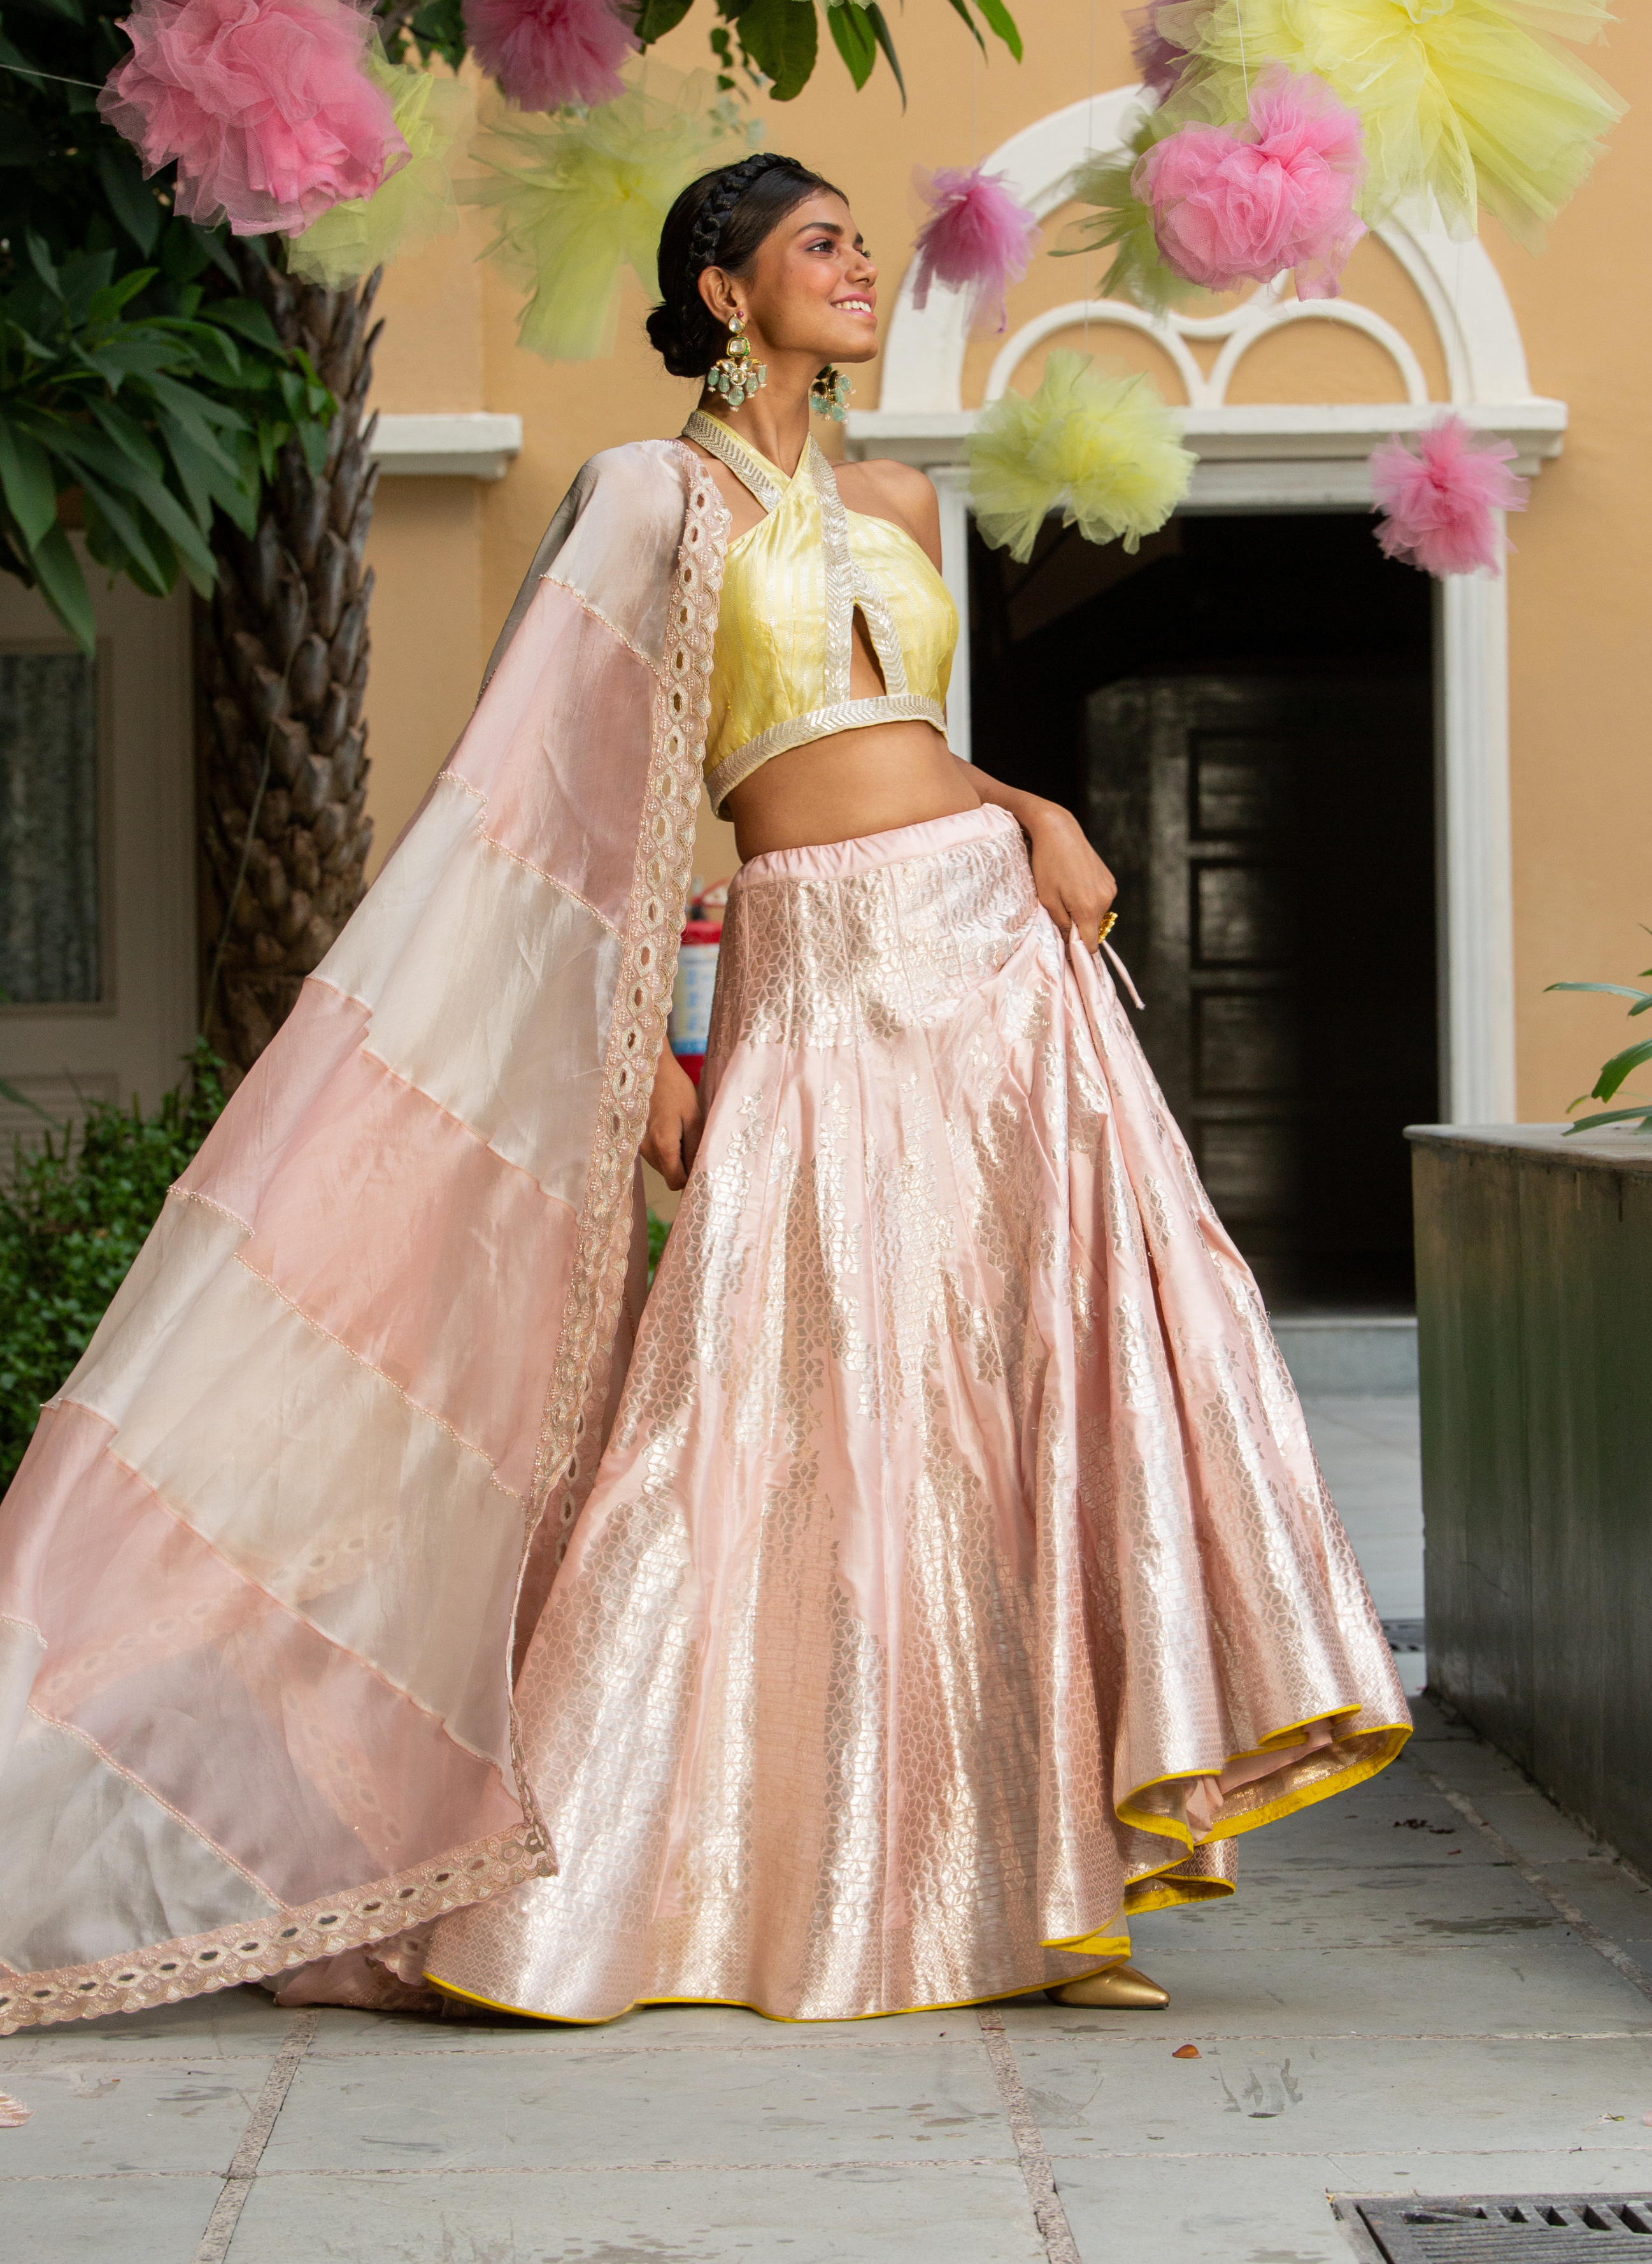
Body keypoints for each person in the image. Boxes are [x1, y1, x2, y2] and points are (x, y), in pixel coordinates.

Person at [0, 152, 1406, 2039]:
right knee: (766, 1414)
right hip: (809, 973)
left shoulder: (899, 497)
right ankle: (602, 1887)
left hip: (999, 966)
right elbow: (567, 802)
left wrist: (1036, 809)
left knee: (1005, 1402)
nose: (862, 266)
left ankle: (1040, 1889)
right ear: (727, 293)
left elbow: (900, 740)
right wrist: (645, 1054)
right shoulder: (645, 499)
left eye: (862, 243)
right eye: (822, 245)